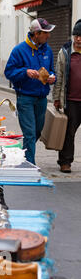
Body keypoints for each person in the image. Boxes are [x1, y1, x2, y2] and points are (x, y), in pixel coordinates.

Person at [4, 18, 56, 165]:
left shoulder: (48, 49)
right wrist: (25, 72)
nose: (48, 36)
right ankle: (30, 166)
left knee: (37, 131)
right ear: (36, 33)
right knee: (30, 134)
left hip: (41, 98)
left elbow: (52, 70)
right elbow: (9, 72)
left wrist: (53, 77)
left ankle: (23, 156)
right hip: (25, 98)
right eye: (46, 33)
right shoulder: (19, 50)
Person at [52, 19, 81, 173]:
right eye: (76, 35)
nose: (78, 39)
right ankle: (65, 162)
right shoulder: (65, 52)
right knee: (68, 133)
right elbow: (59, 76)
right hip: (71, 100)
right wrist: (56, 98)